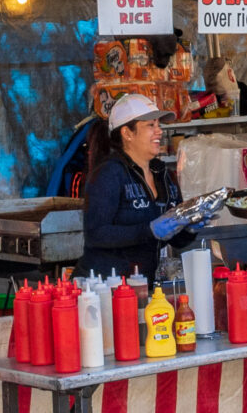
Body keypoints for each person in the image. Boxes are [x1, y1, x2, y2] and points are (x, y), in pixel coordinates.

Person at [79, 93, 198, 278]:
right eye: (151, 125)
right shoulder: (109, 173)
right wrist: (148, 230)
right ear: (127, 133)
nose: (159, 131)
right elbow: (96, 234)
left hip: (141, 284)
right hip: (104, 286)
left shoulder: (164, 175)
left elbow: (175, 239)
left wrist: (191, 226)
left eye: (159, 125)